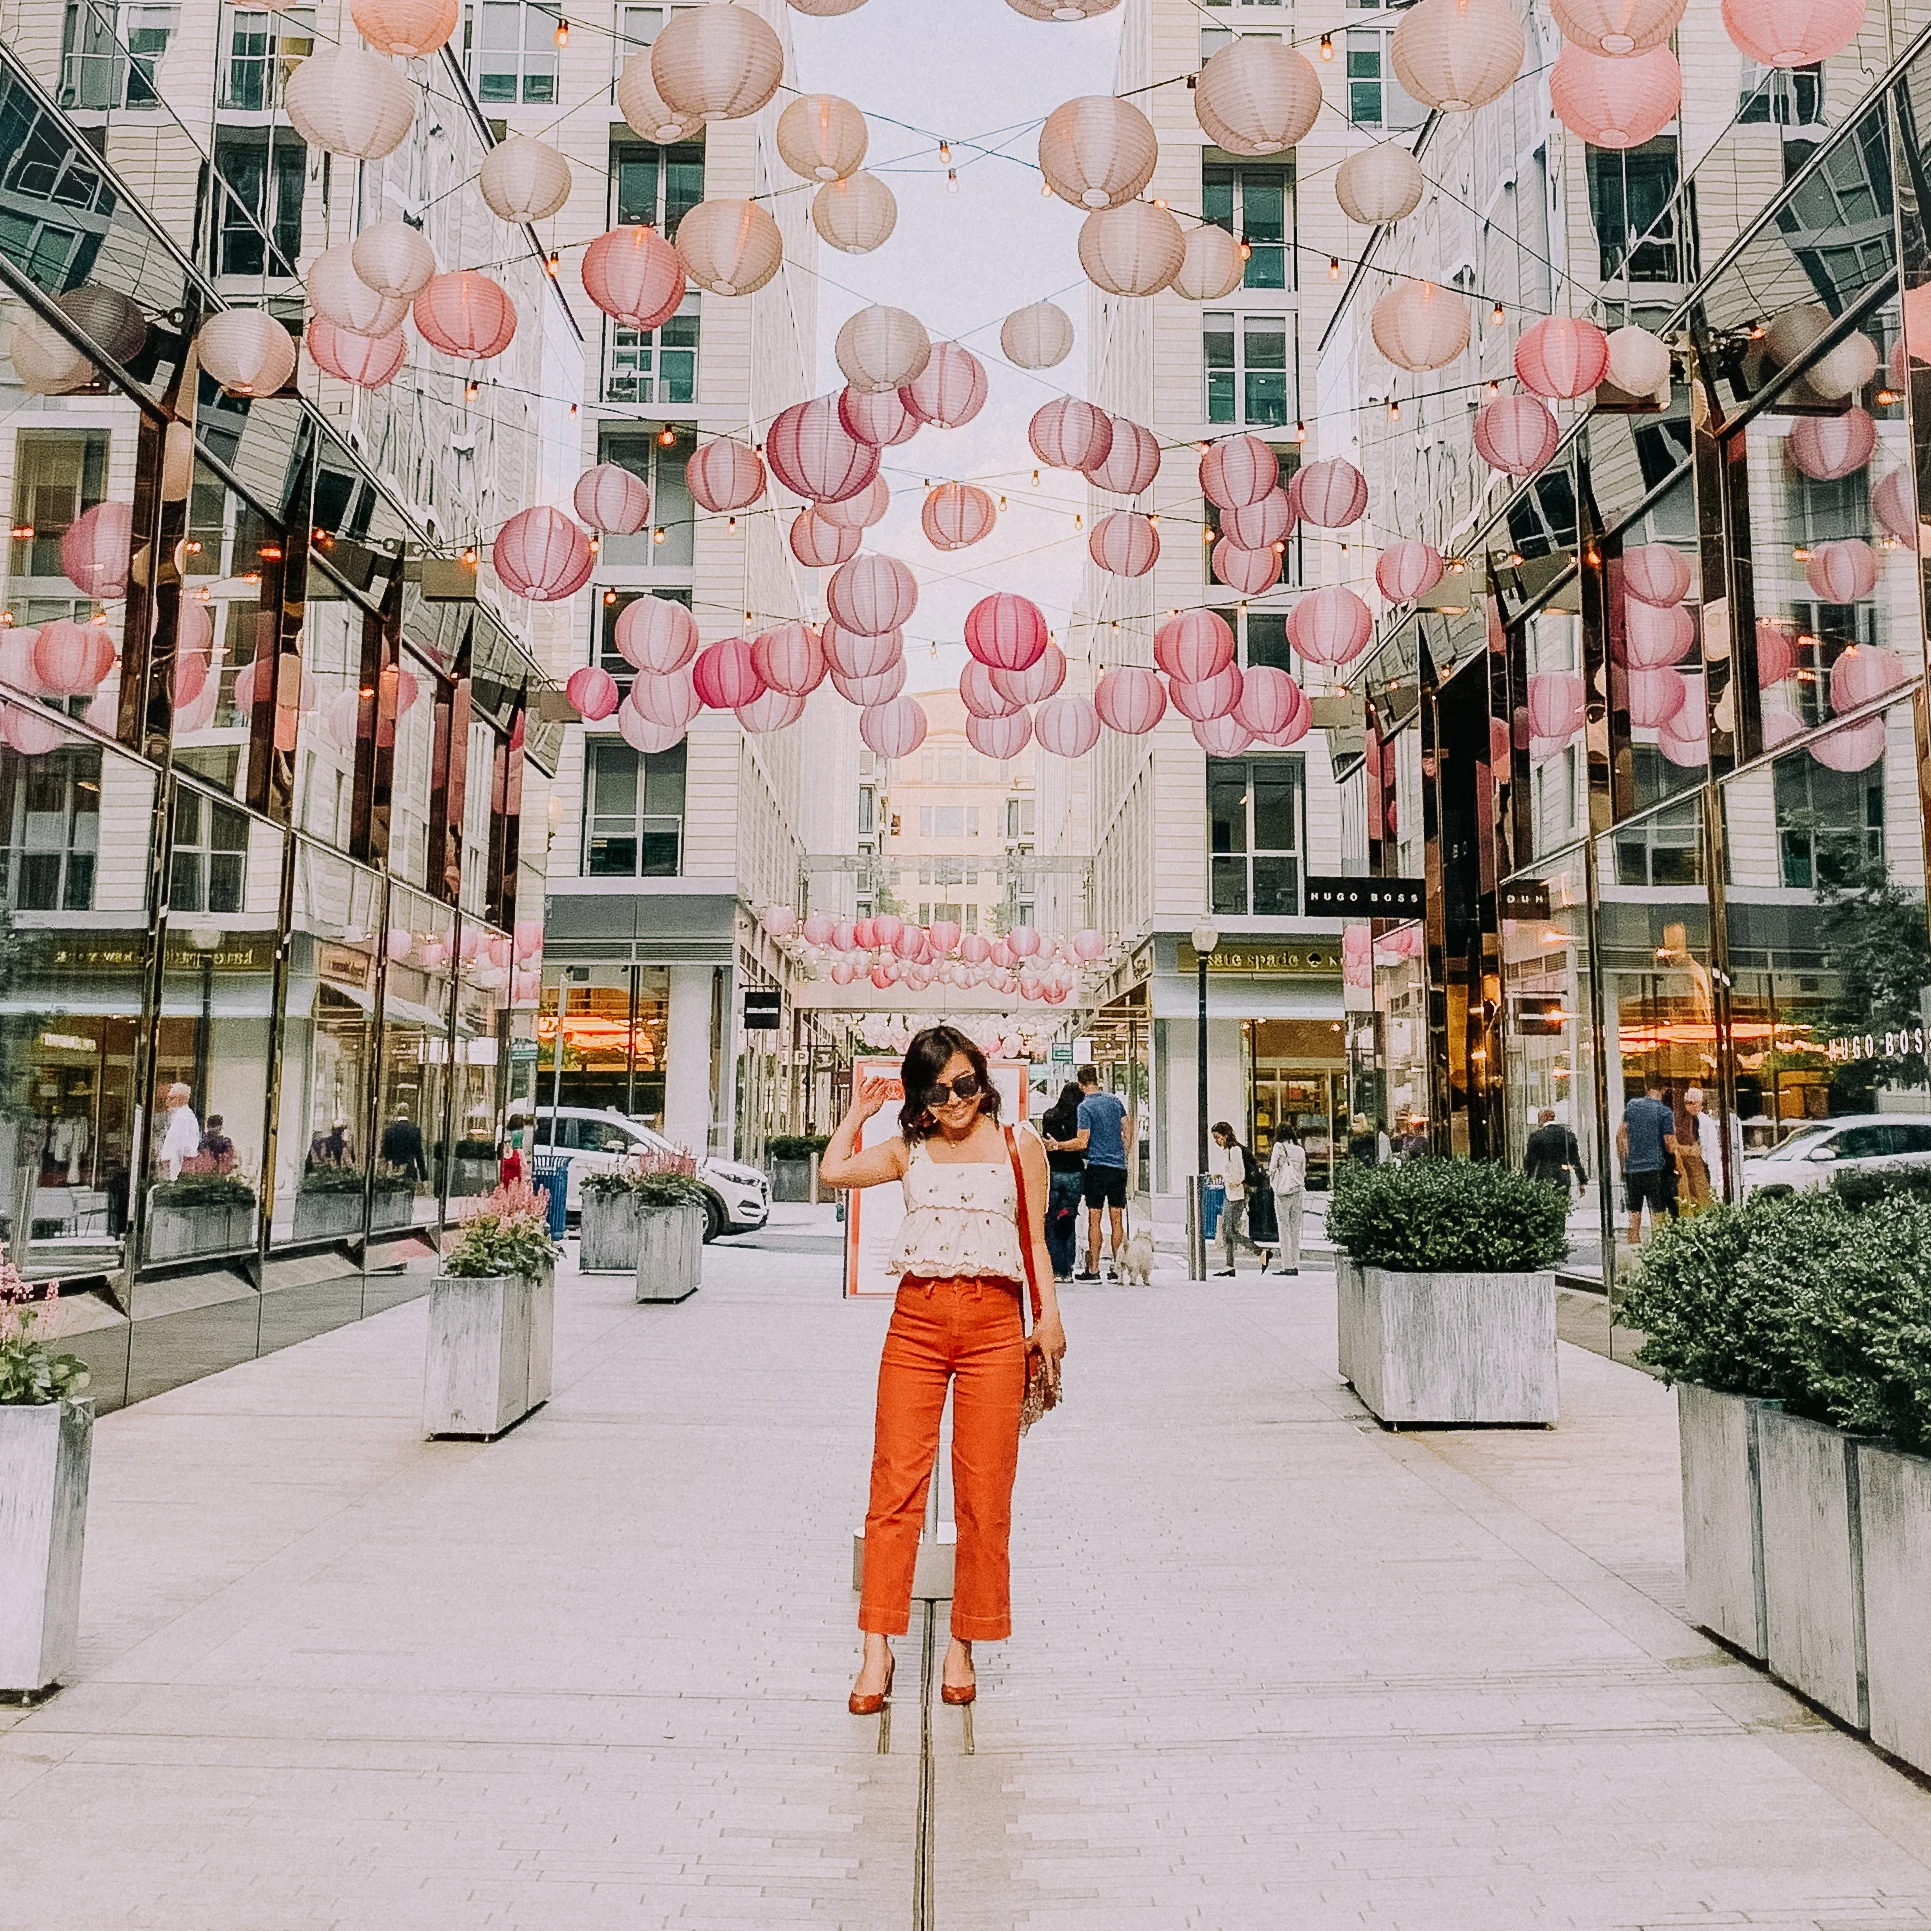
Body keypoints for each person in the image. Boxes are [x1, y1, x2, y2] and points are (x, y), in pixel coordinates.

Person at [819, 1025, 1066, 1715]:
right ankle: (876, 1646)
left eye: (963, 1083)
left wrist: (1047, 1317)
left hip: (994, 1323)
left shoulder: (1019, 1145)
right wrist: (857, 1114)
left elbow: (1035, 1241)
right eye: (937, 1089)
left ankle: (964, 1640)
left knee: (985, 1493)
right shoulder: (909, 1149)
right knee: (894, 1482)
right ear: (921, 1096)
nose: (954, 1099)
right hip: (917, 1322)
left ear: (980, 1077)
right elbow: (833, 1172)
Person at [1060, 1065, 1131, 1281]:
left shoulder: (1085, 1106)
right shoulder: (1115, 1102)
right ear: (1097, 1080)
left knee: (1095, 1219)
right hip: (1118, 1168)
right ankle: (1117, 1269)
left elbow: (1082, 1141)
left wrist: (1058, 1146)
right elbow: (1127, 1130)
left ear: (1081, 1085)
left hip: (1097, 1168)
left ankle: (1093, 1269)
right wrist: (1123, 1153)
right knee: (1117, 1219)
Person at [1617, 1076, 1678, 1246]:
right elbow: (1669, 1145)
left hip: (1633, 1169)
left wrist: (1625, 1161)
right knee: (1657, 1211)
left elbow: (1620, 1135)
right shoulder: (1665, 1112)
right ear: (1664, 1090)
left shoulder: (1632, 1106)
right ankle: (1657, 1248)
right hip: (1655, 1168)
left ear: (1646, 1087)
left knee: (1634, 1212)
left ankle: (1634, 1247)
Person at [1038, 1081, 1085, 1283]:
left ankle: (1056, 1269)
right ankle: (1069, 1268)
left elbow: (1047, 1143)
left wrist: (1056, 1146)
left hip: (1054, 1172)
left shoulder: (1049, 1116)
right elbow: (1083, 1144)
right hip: (1074, 1172)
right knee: (1069, 1219)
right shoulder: (1081, 1118)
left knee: (1053, 1219)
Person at [1208, 1122, 1265, 1275]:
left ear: (1226, 1135)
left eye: (1218, 1137)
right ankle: (1230, 1265)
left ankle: (1259, 1252)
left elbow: (1239, 1176)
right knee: (1228, 1231)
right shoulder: (1228, 1151)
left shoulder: (1235, 1150)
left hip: (1237, 1194)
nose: (1216, 1141)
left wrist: (1222, 1176)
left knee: (1230, 1231)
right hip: (1230, 1193)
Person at [1267, 1123, 1307, 1275]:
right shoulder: (1300, 1150)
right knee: (1295, 1229)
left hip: (1282, 1192)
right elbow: (1303, 1172)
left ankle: (1287, 1265)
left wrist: (1273, 1181)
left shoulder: (1278, 1147)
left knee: (1283, 1228)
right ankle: (1296, 1264)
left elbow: (1271, 1168)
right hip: (1297, 1190)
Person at [1524, 1107, 1587, 1197]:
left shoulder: (1536, 1137)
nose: (1538, 1122)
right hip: (1562, 1175)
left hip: (1543, 1175)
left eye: (1539, 1119)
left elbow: (1531, 1161)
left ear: (1544, 1118)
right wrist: (1581, 1180)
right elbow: (1575, 1160)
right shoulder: (1567, 1135)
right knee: (1562, 1203)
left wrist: (1527, 1179)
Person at [1678, 1087, 1723, 1210]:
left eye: (1692, 1103)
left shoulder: (1706, 1122)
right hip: (1685, 1167)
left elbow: (1712, 1150)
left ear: (1700, 1104)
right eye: (1686, 1103)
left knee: (1703, 1201)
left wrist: (1714, 1177)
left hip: (1702, 1167)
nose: (1689, 1106)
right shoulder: (1681, 1121)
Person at [158, 1082, 200, 1181]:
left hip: (176, 1171)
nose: (167, 1102)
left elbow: (178, 1150)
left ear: (182, 1100)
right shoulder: (179, 1116)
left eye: (172, 1098)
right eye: (167, 1098)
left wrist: (173, 1177)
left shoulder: (183, 1118)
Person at [380, 1105, 429, 1182]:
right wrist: (424, 1176)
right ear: (408, 1113)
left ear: (397, 1113)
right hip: (409, 1169)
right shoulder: (414, 1130)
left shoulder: (389, 1131)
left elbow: (386, 1153)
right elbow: (419, 1154)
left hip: (393, 1169)